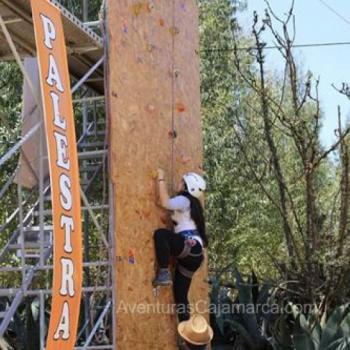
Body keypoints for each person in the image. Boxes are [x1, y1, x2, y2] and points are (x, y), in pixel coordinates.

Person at [153, 169, 208, 322]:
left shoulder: (185, 200)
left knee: (161, 234)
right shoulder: (193, 205)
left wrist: (161, 179)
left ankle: (163, 272)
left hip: (190, 249)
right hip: (194, 256)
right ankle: (189, 336)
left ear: (187, 186)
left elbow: (164, 203)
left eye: (181, 181)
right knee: (181, 295)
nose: (178, 182)